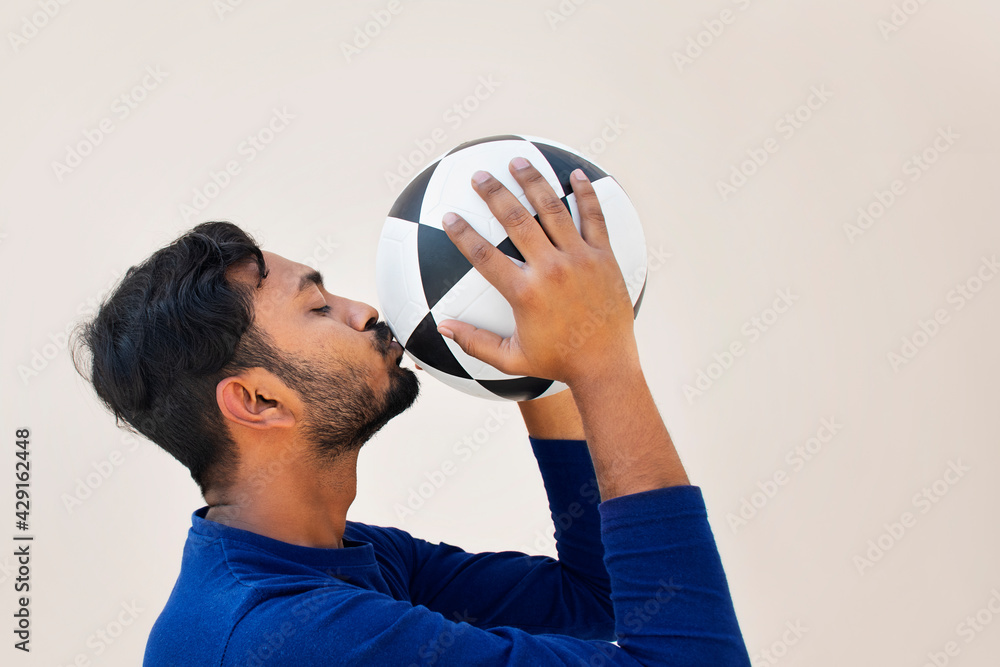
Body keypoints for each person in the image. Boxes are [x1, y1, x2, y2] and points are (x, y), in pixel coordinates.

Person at [72, 157, 751, 665]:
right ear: (257, 399)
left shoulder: (328, 555)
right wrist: (602, 361)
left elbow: (594, 591)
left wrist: (546, 365)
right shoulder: (296, 635)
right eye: (318, 307)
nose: (364, 310)